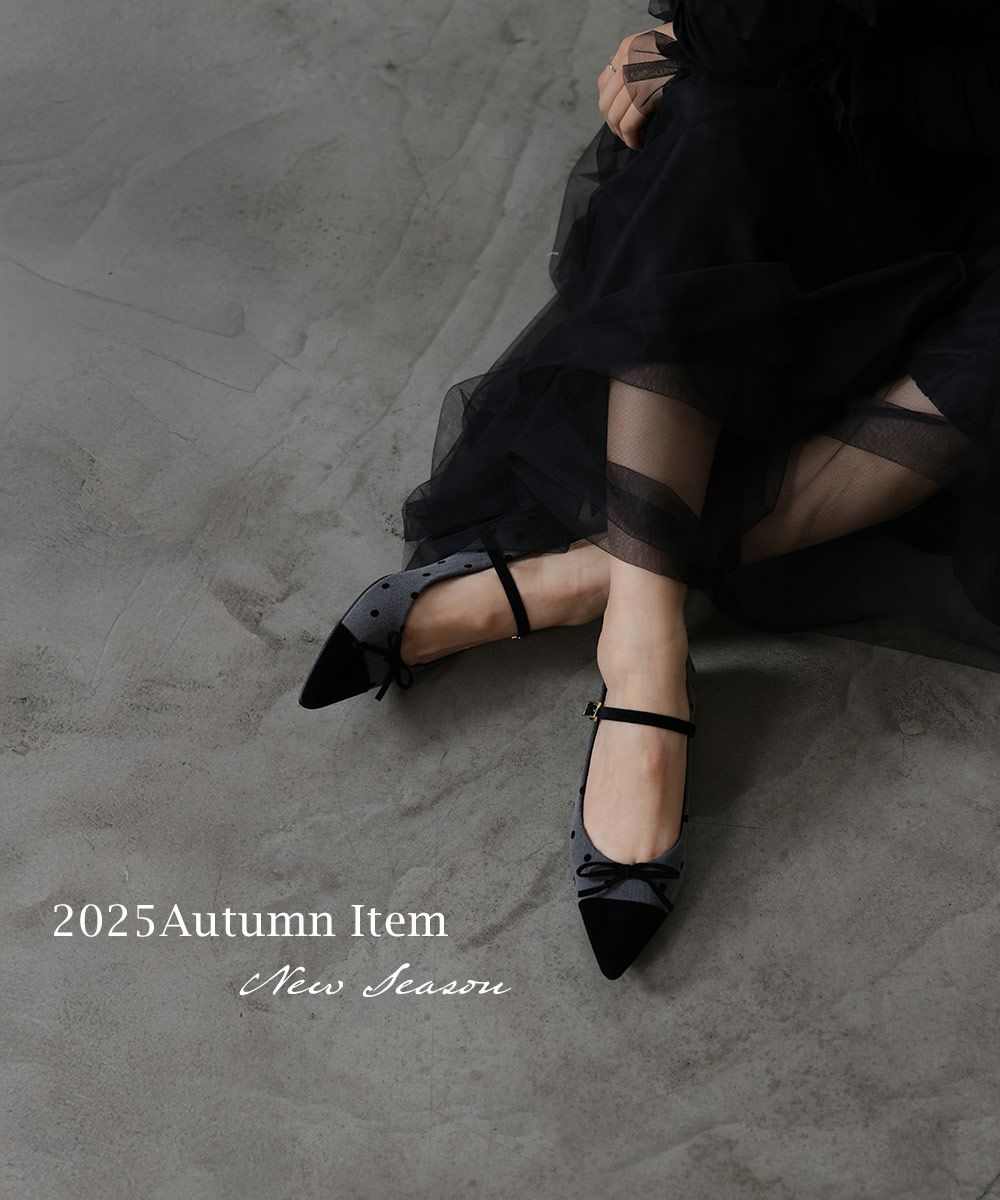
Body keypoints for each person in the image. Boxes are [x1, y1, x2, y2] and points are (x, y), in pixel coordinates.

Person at [300, 0, 1000, 978]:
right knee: (716, 113)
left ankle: (584, 583)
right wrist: (692, 35)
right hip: (836, 130)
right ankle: (647, 655)